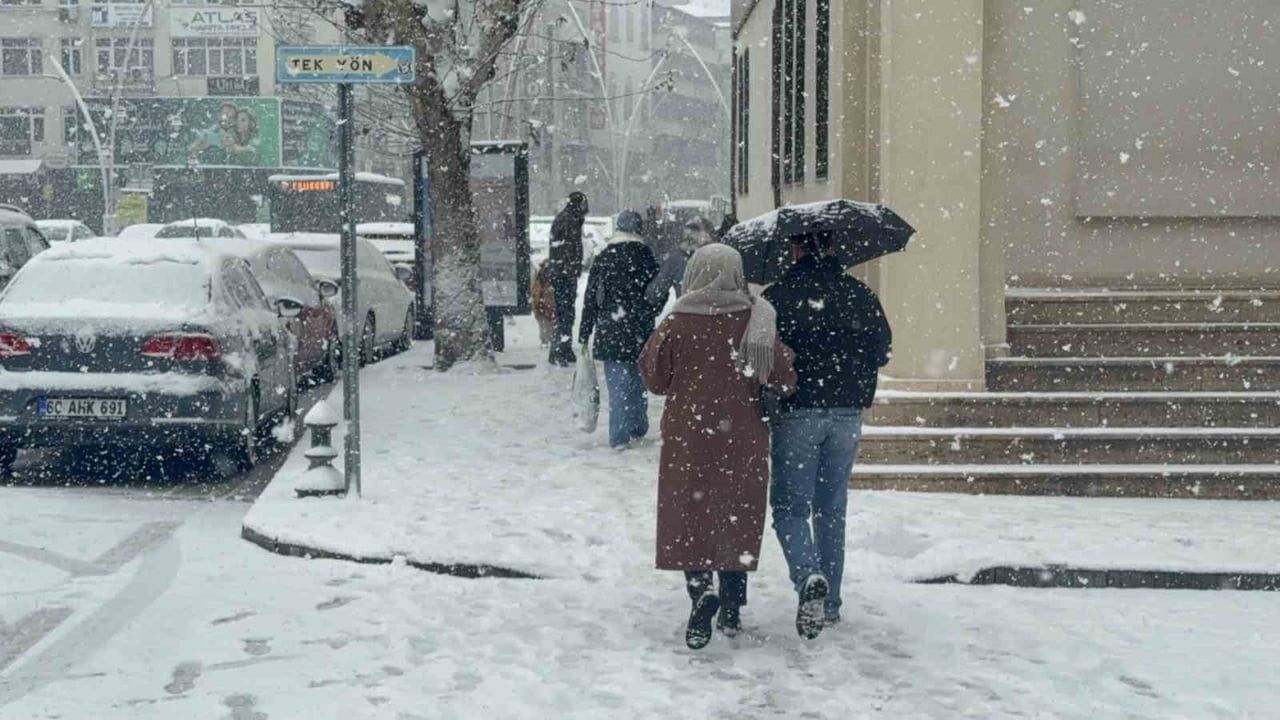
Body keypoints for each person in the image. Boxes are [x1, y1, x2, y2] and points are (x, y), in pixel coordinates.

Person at [639, 244, 796, 650]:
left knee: (690, 512)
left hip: (688, 435)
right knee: (734, 512)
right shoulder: (756, 317)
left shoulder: (677, 320)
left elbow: (654, 378)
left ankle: (699, 591)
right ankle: (731, 606)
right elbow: (780, 377)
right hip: (742, 433)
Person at [763, 231, 892, 639]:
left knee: (789, 507)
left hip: (798, 411)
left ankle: (807, 577)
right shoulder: (861, 294)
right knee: (831, 509)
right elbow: (882, 350)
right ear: (834, 248)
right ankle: (831, 602)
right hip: (848, 412)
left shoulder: (777, 297)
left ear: (796, 249)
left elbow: (763, 354)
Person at [578, 211, 660, 448]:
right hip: (640, 330)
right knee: (639, 382)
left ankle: (619, 436)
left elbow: (591, 297)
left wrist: (585, 332)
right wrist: (649, 311)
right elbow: (657, 291)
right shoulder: (646, 256)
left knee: (618, 387)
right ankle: (638, 426)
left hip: (611, 330)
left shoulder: (605, 257)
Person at [546, 192, 589, 366]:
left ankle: (563, 347)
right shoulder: (570, 220)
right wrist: (570, 269)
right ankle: (559, 350)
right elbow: (567, 249)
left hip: (562, 272)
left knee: (564, 310)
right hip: (564, 274)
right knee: (564, 311)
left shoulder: (567, 218)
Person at [644, 215, 715, 306]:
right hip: (722, 315)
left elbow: (654, 294)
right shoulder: (723, 256)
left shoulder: (677, 259)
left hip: (687, 314)